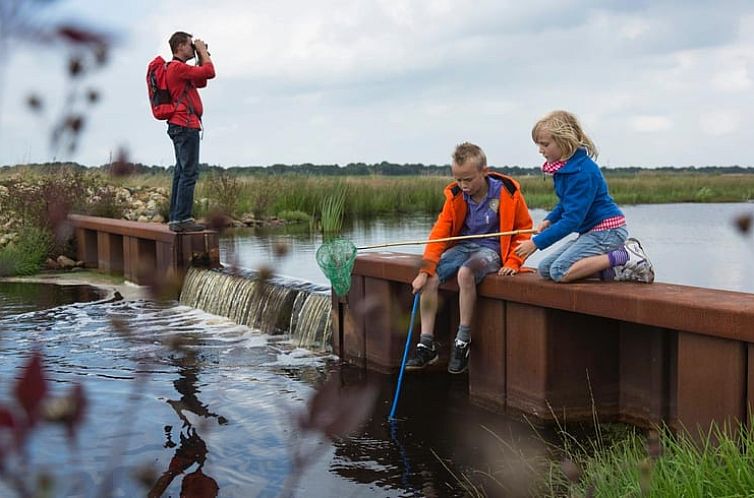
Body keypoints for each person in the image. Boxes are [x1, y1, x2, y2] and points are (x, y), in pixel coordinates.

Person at [406, 142, 533, 374]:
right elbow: (439, 233)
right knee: (431, 278)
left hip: (491, 250)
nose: (463, 185)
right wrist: (425, 271)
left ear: (484, 172)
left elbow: (522, 231)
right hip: (464, 246)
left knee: (466, 273)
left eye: (468, 179)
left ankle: (462, 341)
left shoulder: (508, 192)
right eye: (458, 180)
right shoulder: (456, 197)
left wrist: (514, 261)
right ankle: (426, 344)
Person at [514, 110, 655, 284]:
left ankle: (625, 255)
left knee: (559, 271)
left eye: (545, 144)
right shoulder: (566, 169)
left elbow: (572, 220)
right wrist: (550, 219)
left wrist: (536, 243)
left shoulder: (582, 172)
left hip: (607, 231)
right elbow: (566, 203)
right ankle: (613, 271)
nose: (540, 151)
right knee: (545, 269)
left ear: (564, 142)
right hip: (592, 231)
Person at [165, 31, 215, 232]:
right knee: (189, 173)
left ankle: (176, 218)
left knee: (181, 172)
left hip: (180, 125)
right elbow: (210, 72)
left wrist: (202, 56)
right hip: (185, 126)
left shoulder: (179, 70)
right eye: (189, 45)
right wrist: (203, 51)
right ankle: (182, 218)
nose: (191, 48)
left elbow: (201, 81)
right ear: (179, 47)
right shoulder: (177, 67)